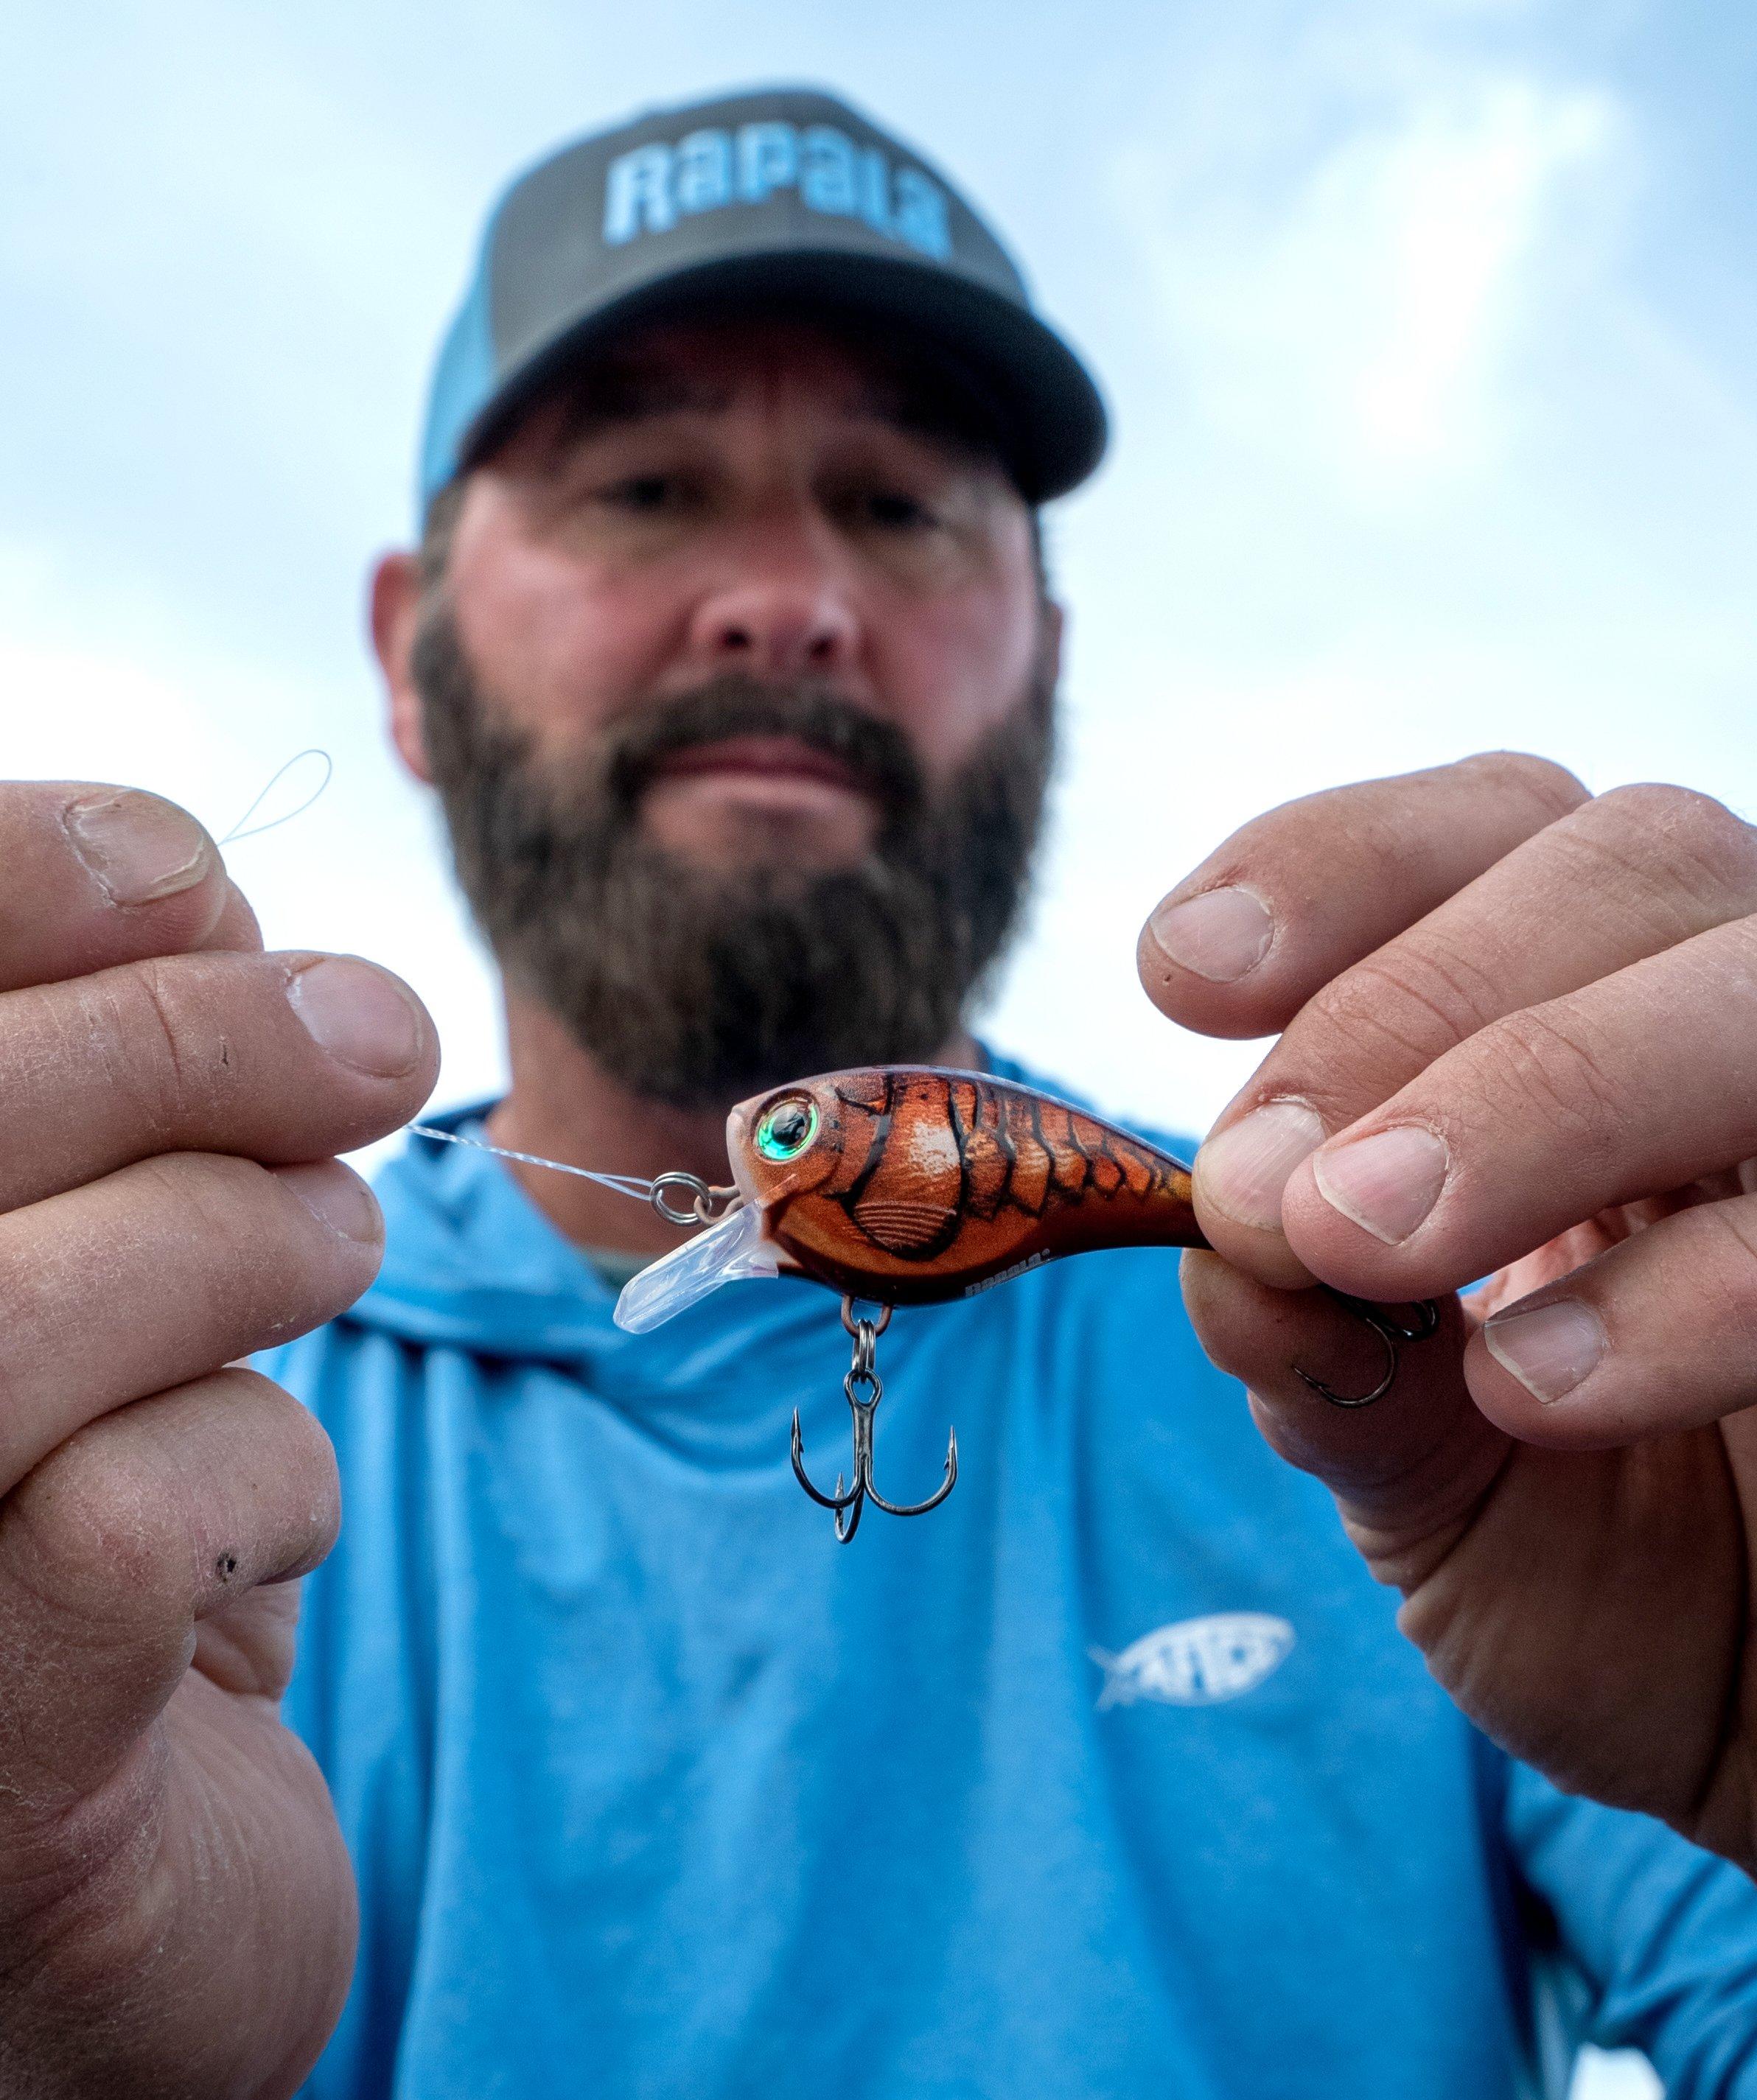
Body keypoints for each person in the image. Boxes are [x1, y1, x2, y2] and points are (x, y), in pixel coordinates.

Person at [1, 83, 1754, 2099]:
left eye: (902, 503)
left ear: (1047, 651)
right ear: (410, 653)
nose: (787, 598)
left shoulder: (1450, 1362)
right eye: (646, 486)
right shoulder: (147, 1436)